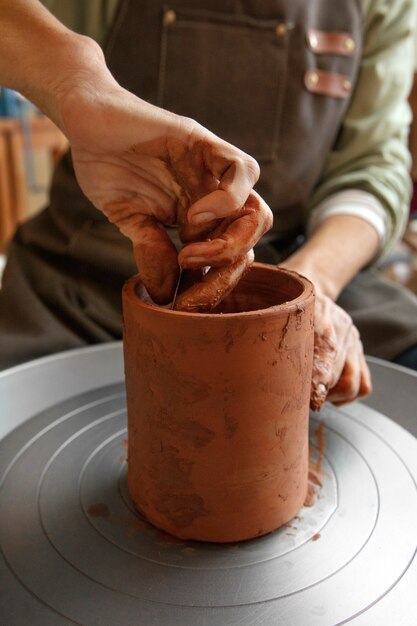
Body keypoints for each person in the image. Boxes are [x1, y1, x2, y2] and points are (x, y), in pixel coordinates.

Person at [0, 0, 416, 411]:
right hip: (85, 273)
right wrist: (77, 84)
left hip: (294, 260)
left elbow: (372, 165)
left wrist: (311, 287)